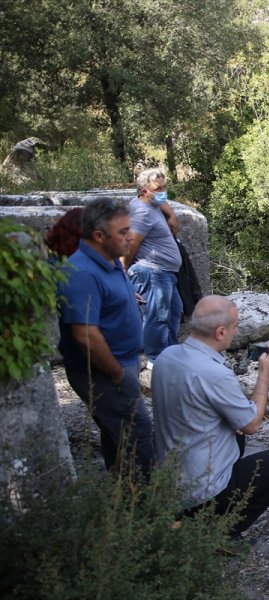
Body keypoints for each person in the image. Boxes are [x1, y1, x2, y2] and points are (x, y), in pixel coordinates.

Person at [152, 295, 269, 540]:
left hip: (171, 479)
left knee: (238, 435)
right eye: (236, 327)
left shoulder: (166, 357)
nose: (237, 332)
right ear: (221, 332)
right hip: (202, 491)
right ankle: (222, 531)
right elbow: (253, 423)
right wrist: (265, 374)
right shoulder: (215, 373)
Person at [56, 198, 154, 475]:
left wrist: (126, 299)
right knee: (139, 433)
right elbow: (85, 335)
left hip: (124, 362)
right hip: (103, 370)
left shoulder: (107, 260)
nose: (131, 236)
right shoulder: (81, 273)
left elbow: (104, 300)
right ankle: (151, 508)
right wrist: (117, 374)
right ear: (99, 236)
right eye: (123, 231)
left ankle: (122, 490)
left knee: (117, 432)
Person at [123, 168, 182, 365]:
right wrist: (122, 277)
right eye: (159, 188)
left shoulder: (152, 204)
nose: (163, 192)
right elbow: (129, 247)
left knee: (174, 312)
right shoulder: (141, 212)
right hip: (152, 272)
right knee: (157, 318)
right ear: (144, 191)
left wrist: (171, 214)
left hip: (165, 273)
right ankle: (156, 361)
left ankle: (171, 357)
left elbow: (160, 200)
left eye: (165, 187)